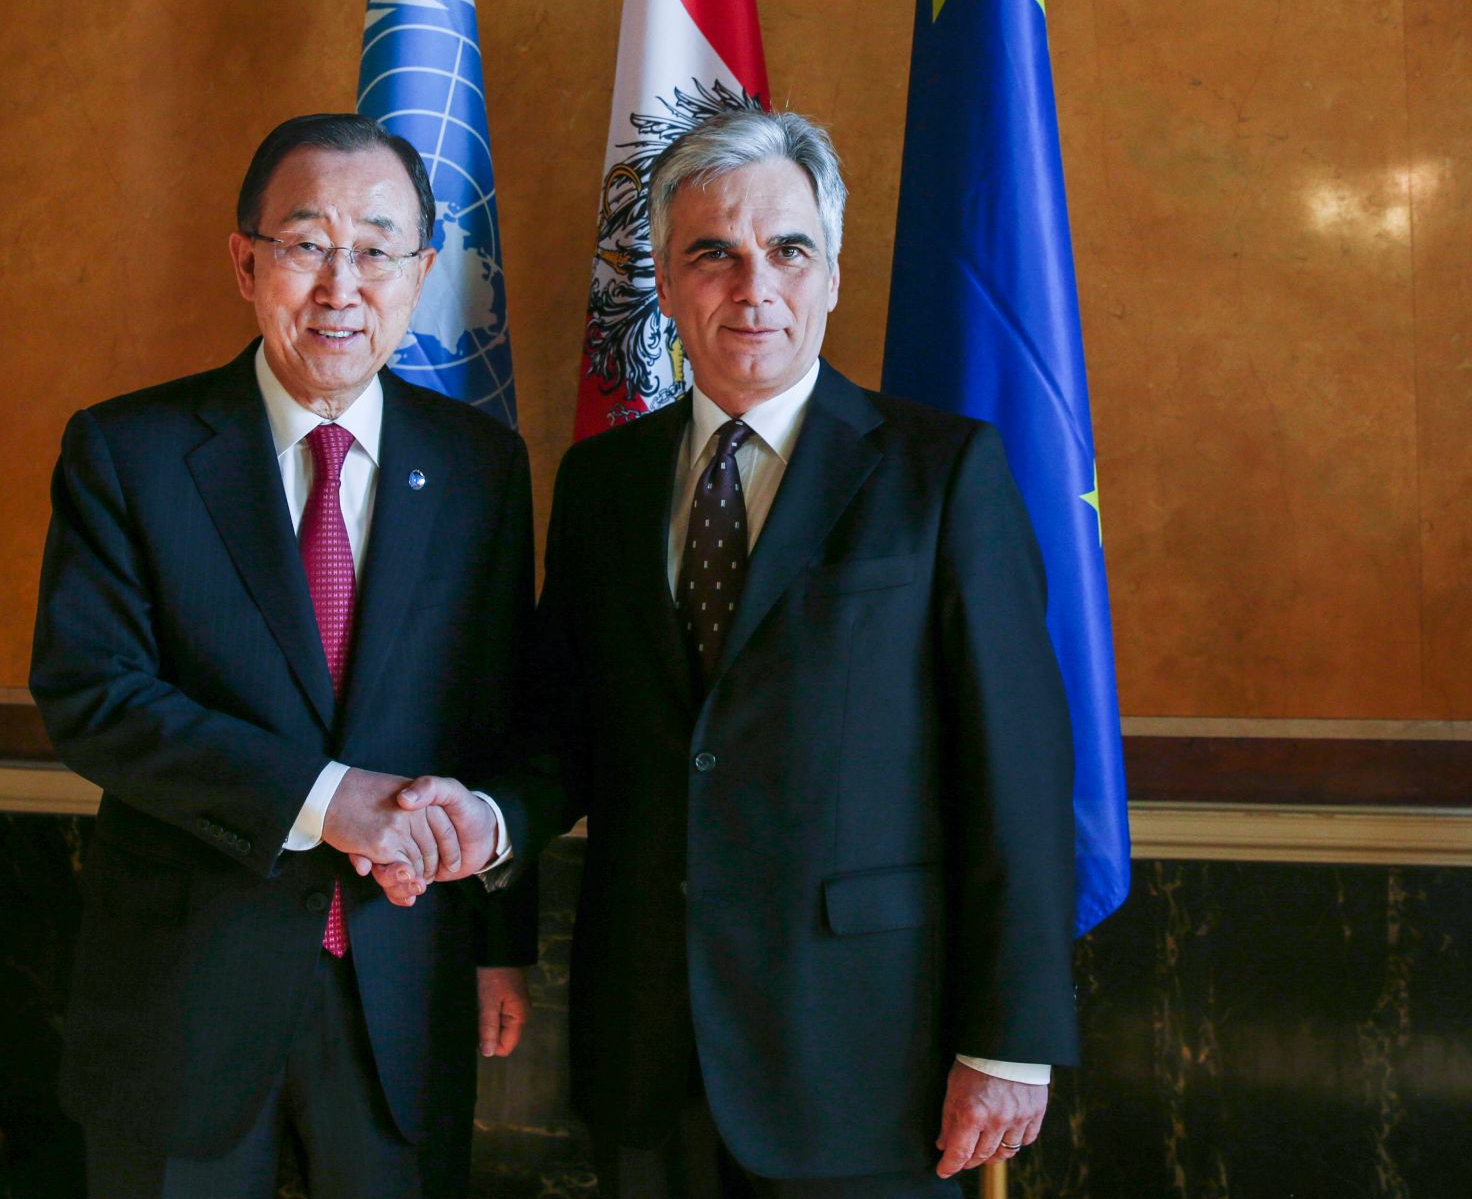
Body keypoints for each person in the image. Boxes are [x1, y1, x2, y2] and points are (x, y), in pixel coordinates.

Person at [388, 108, 1080, 1197]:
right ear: (664, 282)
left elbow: (1018, 769)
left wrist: (1007, 1042)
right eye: (712, 253)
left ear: (833, 275)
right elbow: (562, 731)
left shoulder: (939, 476)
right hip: (646, 1052)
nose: (753, 284)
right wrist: (486, 826)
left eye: (787, 250)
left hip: (866, 1062)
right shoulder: (600, 486)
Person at [29, 113, 534, 1199]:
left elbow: (499, 717)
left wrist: (500, 941)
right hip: (183, 1004)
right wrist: (323, 799)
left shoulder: (482, 468)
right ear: (245, 261)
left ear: (423, 270)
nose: (340, 285)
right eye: (307, 244)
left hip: (402, 996)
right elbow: (92, 693)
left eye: (377, 248)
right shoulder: (129, 451)